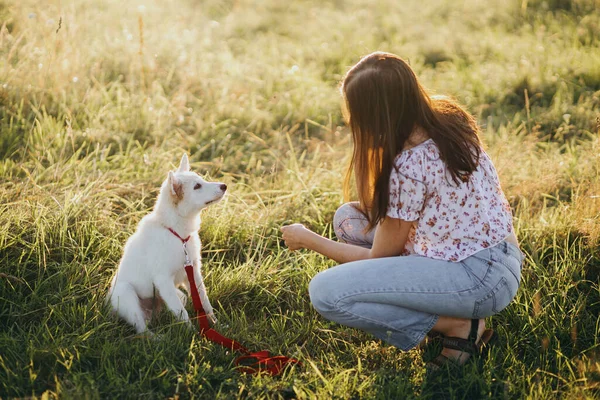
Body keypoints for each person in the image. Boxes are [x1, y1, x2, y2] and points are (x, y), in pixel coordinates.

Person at [280, 51, 524, 368]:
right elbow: (379, 211)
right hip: (500, 257)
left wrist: (308, 239)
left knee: (326, 292)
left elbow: (377, 257)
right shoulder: (448, 118)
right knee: (347, 219)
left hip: (478, 279)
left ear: (375, 115)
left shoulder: (409, 165)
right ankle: (451, 315)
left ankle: (456, 326)